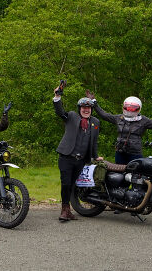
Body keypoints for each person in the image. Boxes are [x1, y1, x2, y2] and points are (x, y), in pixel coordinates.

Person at [86, 91, 152, 165]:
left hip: (135, 154)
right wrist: (94, 102)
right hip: (120, 152)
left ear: (138, 109)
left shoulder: (143, 120)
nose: (130, 111)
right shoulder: (119, 118)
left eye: (133, 108)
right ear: (124, 107)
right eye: (128, 108)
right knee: (120, 176)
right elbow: (104, 115)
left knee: (137, 177)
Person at [52, 81, 103, 222]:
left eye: (89, 108)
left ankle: (68, 209)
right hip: (66, 156)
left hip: (81, 160)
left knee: (73, 184)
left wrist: (96, 156)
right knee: (66, 183)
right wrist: (57, 96)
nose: (86, 110)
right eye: (83, 107)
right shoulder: (72, 116)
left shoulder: (95, 122)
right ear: (79, 108)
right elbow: (60, 111)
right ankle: (64, 209)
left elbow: (94, 142)